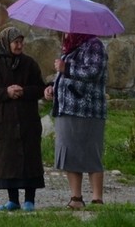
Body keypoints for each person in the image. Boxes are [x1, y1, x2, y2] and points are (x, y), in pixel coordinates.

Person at [43, 30, 109, 209]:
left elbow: (93, 72)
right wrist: (52, 89)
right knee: (69, 153)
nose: (65, 33)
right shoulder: (70, 48)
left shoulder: (94, 45)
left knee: (90, 152)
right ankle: (76, 198)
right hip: (66, 109)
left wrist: (66, 68)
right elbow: (64, 78)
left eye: (68, 29)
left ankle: (97, 199)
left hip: (87, 110)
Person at [0, 25, 45, 210]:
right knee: (8, 159)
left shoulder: (29, 64)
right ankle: (13, 200)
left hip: (28, 120)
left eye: (21, 42)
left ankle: (30, 200)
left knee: (30, 158)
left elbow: (39, 88)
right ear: (5, 43)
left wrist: (24, 91)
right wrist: (6, 92)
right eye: (15, 42)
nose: (19, 46)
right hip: (5, 121)